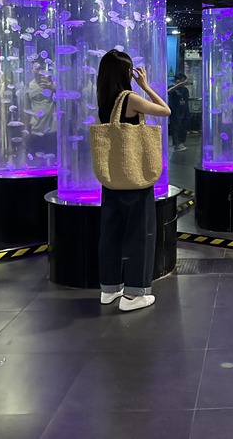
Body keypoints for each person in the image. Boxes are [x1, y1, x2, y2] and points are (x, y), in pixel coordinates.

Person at [96, 50, 170, 312]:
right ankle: (134, 294)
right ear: (125, 73)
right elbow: (165, 110)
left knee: (111, 234)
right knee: (140, 234)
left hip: (111, 179)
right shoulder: (130, 99)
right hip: (134, 179)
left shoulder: (104, 100)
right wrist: (145, 86)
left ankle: (109, 288)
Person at [167, 73, 190, 152]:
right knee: (176, 127)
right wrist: (178, 85)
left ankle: (181, 142)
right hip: (175, 111)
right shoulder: (172, 88)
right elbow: (168, 91)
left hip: (184, 111)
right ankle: (177, 144)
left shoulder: (185, 90)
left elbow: (186, 101)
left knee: (183, 127)